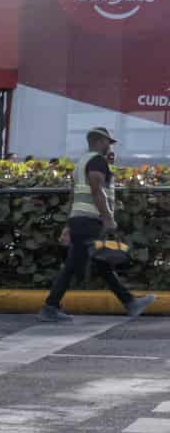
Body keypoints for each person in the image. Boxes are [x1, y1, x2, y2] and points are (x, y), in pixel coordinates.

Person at [42, 126, 155, 322]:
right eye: (108, 143)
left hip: (81, 219)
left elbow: (75, 196)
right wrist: (108, 217)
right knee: (77, 265)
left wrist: (68, 225)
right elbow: (96, 190)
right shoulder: (96, 162)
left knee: (100, 262)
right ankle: (50, 307)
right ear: (100, 141)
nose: (110, 147)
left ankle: (129, 302)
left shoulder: (82, 163)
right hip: (90, 220)